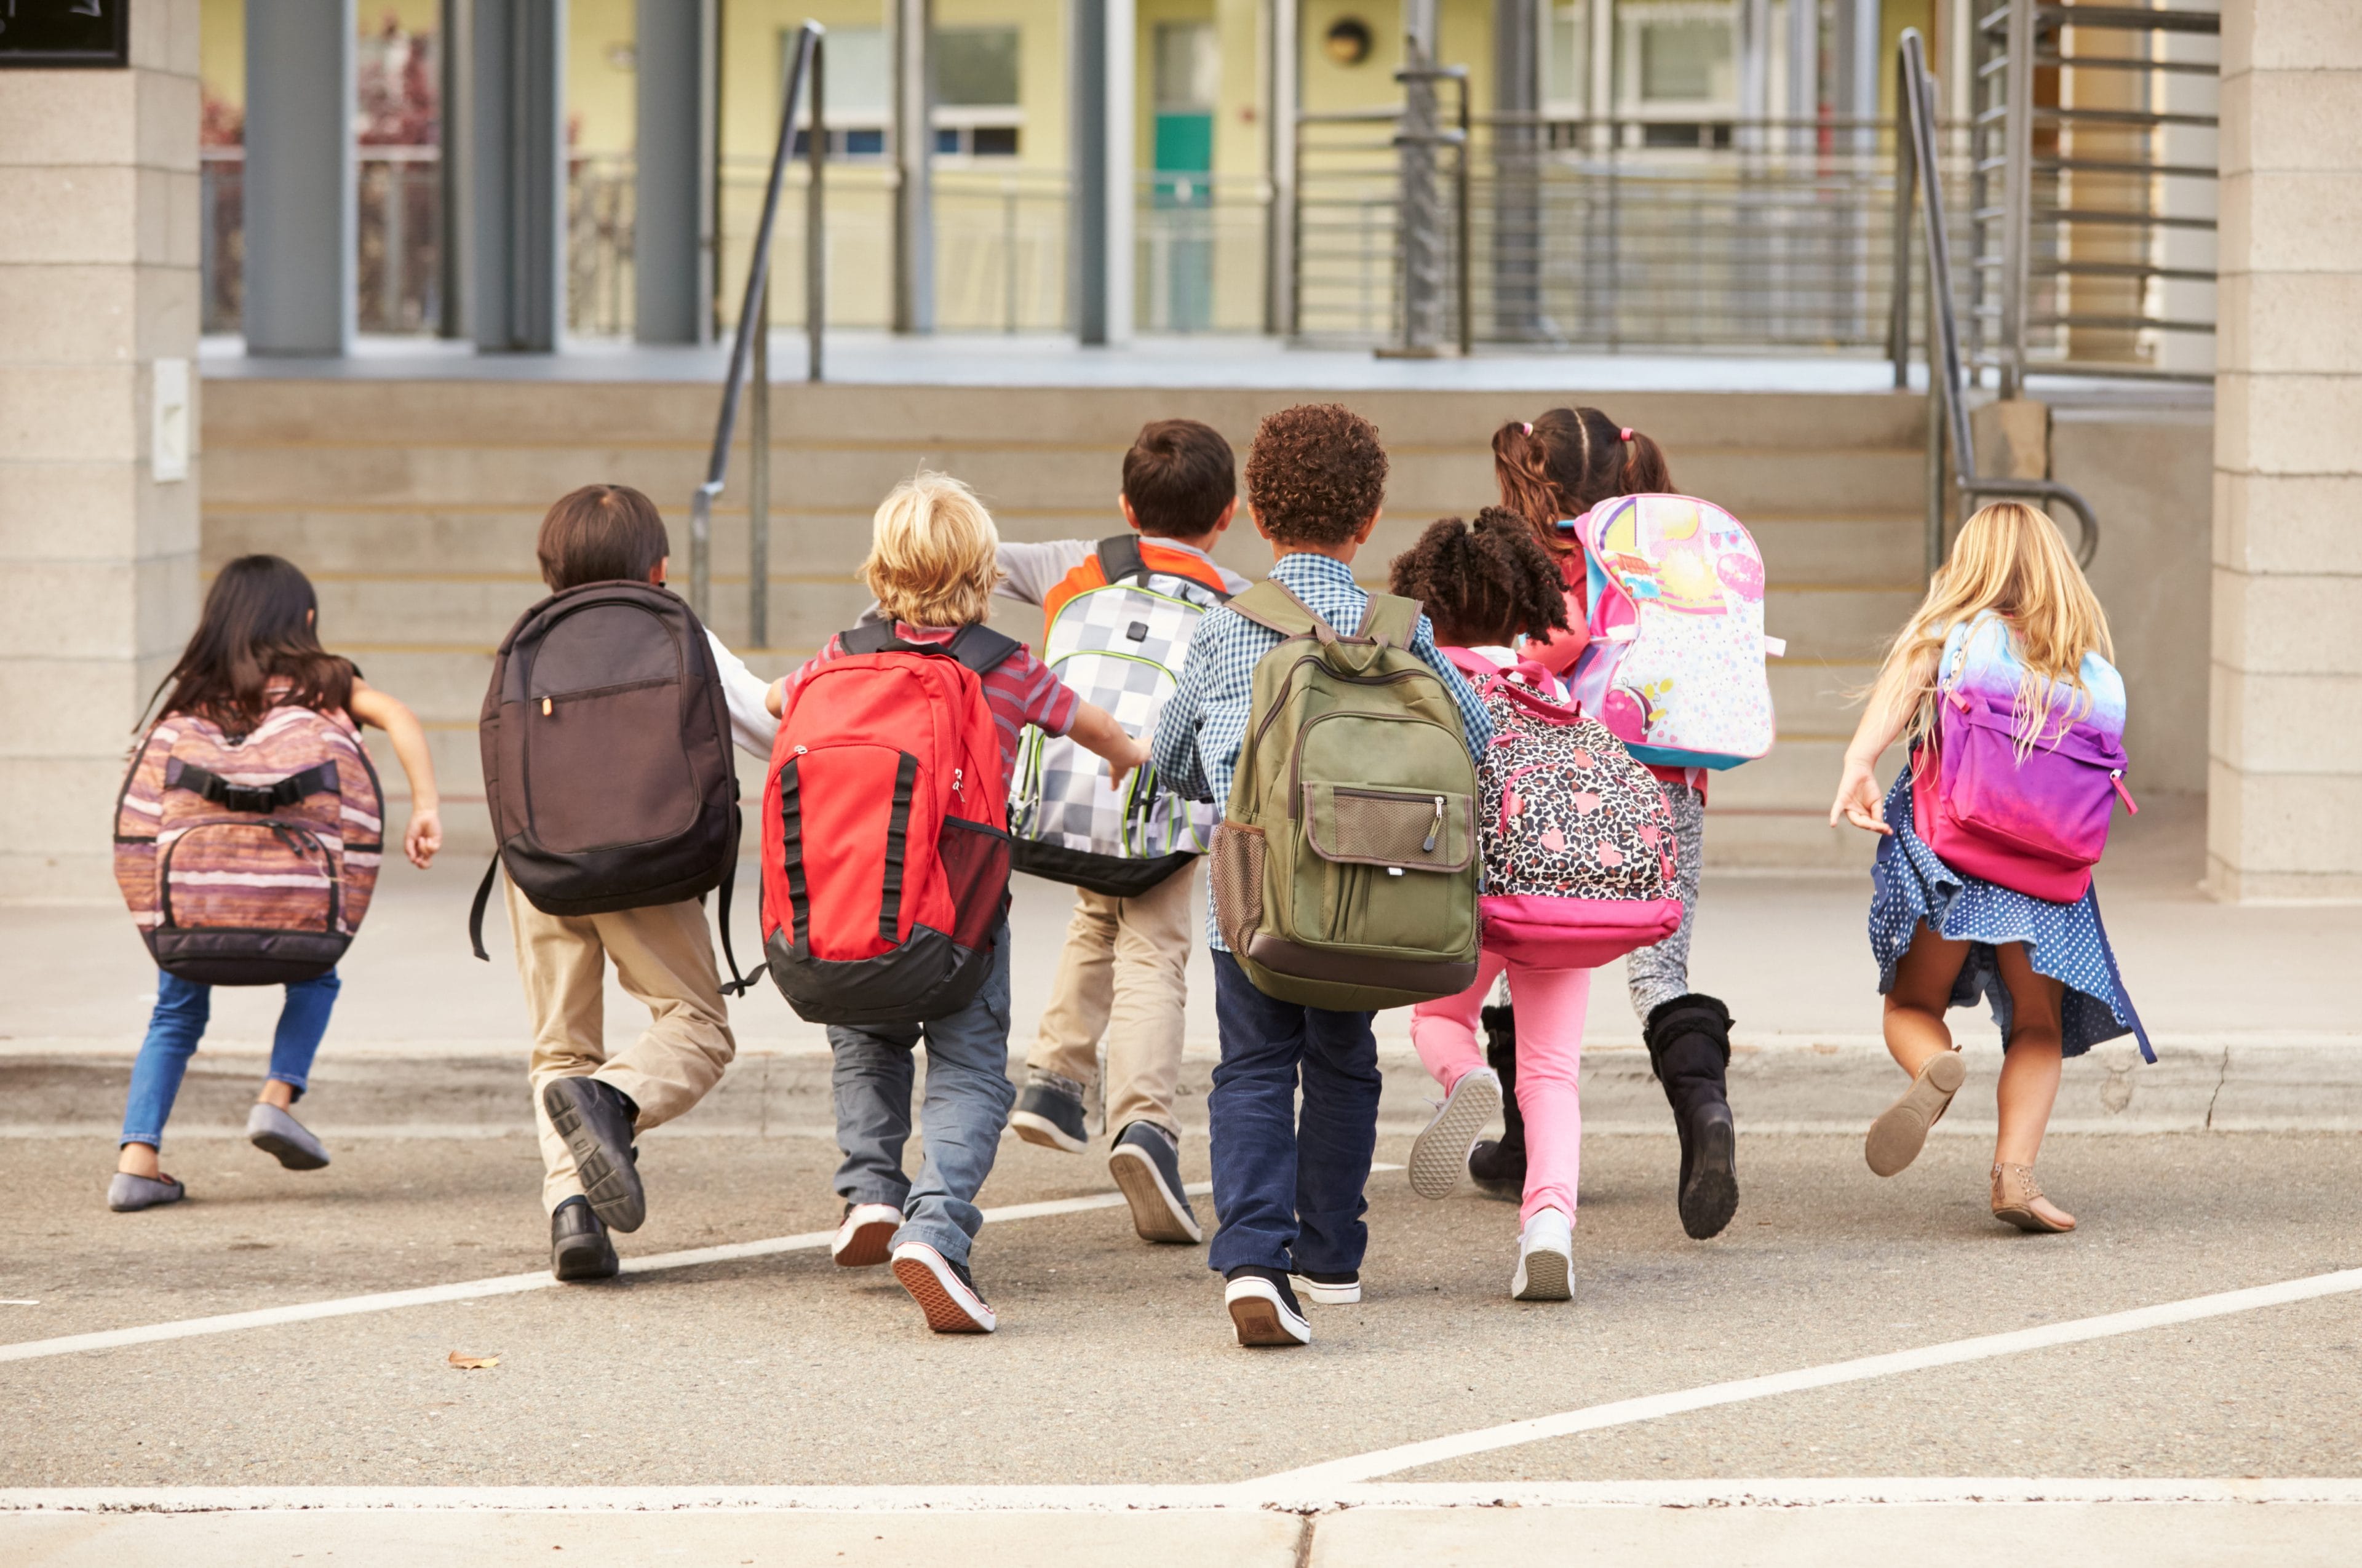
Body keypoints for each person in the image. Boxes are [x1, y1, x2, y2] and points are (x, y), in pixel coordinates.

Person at [771, 473, 1150, 1333]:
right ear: (983, 573)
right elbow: (1087, 723)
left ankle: (870, 1191)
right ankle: (936, 1226)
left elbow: (773, 701)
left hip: (853, 912)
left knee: (867, 1043)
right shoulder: (1004, 667)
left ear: (880, 569)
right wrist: (1129, 753)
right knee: (971, 1066)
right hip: (959, 924)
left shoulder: (841, 655)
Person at [1152, 404, 1492, 1347]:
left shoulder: (1228, 630)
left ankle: (1255, 1260)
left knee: (1253, 1067)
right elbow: (1481, 740)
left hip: (1255, 906)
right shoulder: (1402, 632)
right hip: (1369, 897)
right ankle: (1332, 1257)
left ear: (1257, 514)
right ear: (1369, 518)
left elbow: (1174, 757)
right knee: (1343, 1065)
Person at [1831, 501, 2147, 1233]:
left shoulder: (1955, 637)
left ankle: (1933, 1065)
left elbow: (1906, 678)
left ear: (1970, 564)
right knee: (2039, 1023)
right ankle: (2017, 1177)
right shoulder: (2086, 667)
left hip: (1953, 855)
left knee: (1913, 1005)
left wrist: (1857, 763)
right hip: (2048, 873)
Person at [109, 555, 443, 1212]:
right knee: (316, 975)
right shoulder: (326, 683)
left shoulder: (192, 693)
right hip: (298, 899)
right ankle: (277, 1097)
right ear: (307, 620)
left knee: (175, 1013)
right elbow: (399, 716)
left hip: (198, 898)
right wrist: (426, 805)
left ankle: (137, 1160)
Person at [505, 485, 778, 1283]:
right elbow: (767, 727)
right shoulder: (673, 630)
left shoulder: (531, 639)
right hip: (646, 863)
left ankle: (572, 1212)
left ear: (549, 566)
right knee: (696, 1026)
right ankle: (613, 1103)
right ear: (659, 567)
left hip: (540, 864)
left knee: (560, 1046)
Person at [1487, 408, 1740, 1244]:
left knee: (1521, 950)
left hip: (1564, 787)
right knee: (1660, 972)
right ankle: (1705, 1110)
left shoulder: (1543, 565)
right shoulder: (1666, 558)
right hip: (1668, 782)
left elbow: (1545, 651)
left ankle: (1528, 1143)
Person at [1001, 418, 1251, 1246]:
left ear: (1123, 504)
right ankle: (1143, 1124)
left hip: (1069, 793)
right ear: (1228, 515)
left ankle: (1054, 1078)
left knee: (1095, 911)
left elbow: (975, 557)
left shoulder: (1074, 564)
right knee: (1155, 953)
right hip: (1163, 799)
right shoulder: (1237, 598)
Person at [1390, 512, 1608, 1300]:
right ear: (1524, 605)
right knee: (1552, 1072)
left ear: (1428, 601)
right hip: (1555, 899)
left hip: (1461, 893)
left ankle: (1464, 1079)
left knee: (1441, 1020)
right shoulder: (1547, 686)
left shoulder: (1423, 678)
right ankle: (1548, 1226)